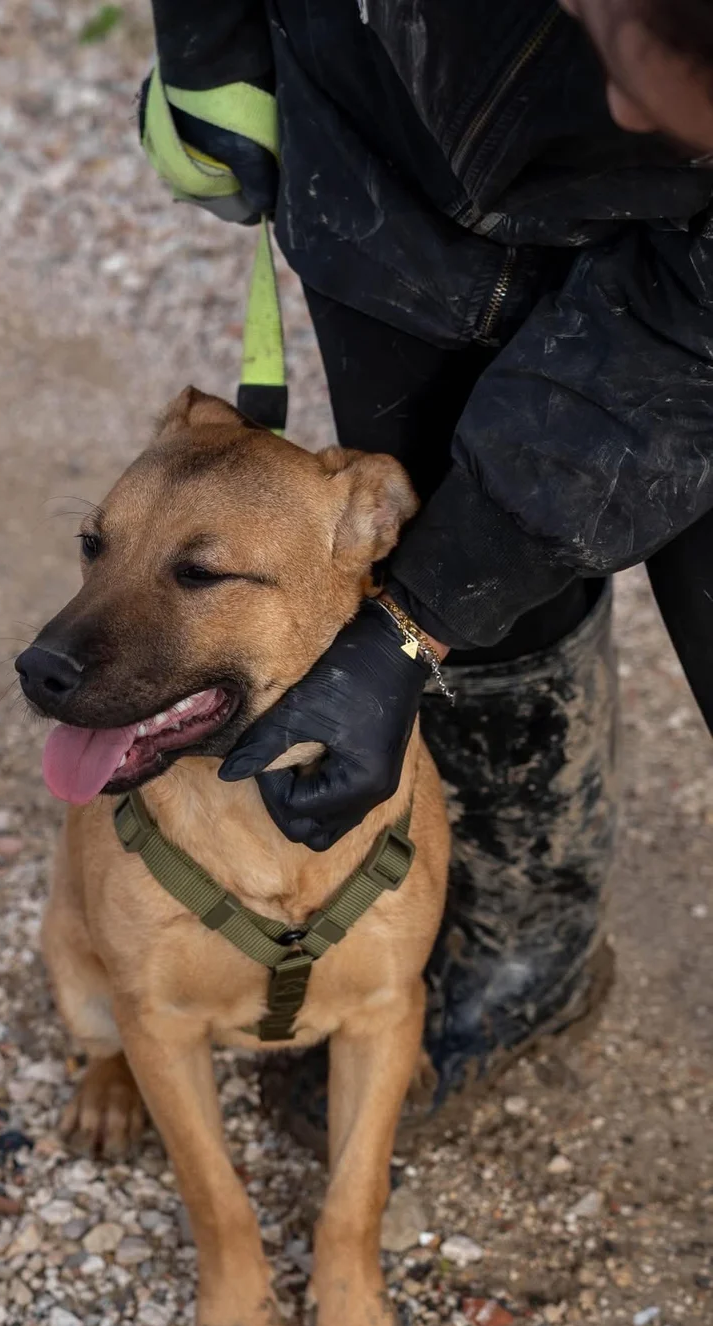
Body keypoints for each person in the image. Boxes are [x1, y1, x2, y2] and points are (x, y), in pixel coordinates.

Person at [139, 0, 713, 1142]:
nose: (614, 109)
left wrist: (413, 622)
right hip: (393, 160)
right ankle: (520, 949)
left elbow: (660, 363)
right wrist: (211, 40)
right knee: (489, 581)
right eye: (623, 60)